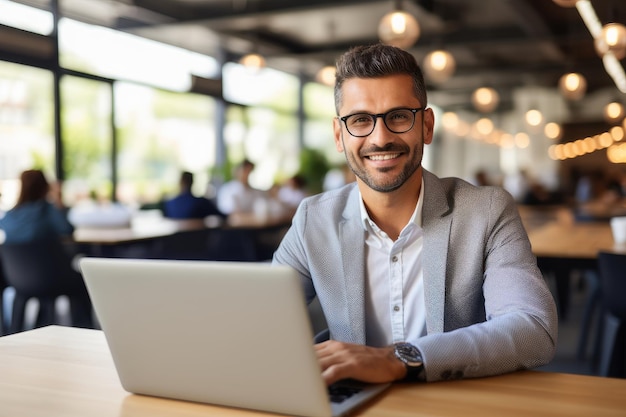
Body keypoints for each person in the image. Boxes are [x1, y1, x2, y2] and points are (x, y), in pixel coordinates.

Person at [272, 44, 557, 385]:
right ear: (339, 135)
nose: (380, 138)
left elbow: (533, 328)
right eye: (360, 120)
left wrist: (398, 359)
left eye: (398, 116)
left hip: (453, 403)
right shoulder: (312, 220)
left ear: (426, 125)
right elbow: (259, 318)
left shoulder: (487, 210)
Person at [0, 169, 74, 244]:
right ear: (45, 186)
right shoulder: (48, 210)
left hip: (14, 256)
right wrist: (58, 203)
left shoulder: (9, 216)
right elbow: (67, 229)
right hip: (47, 255)